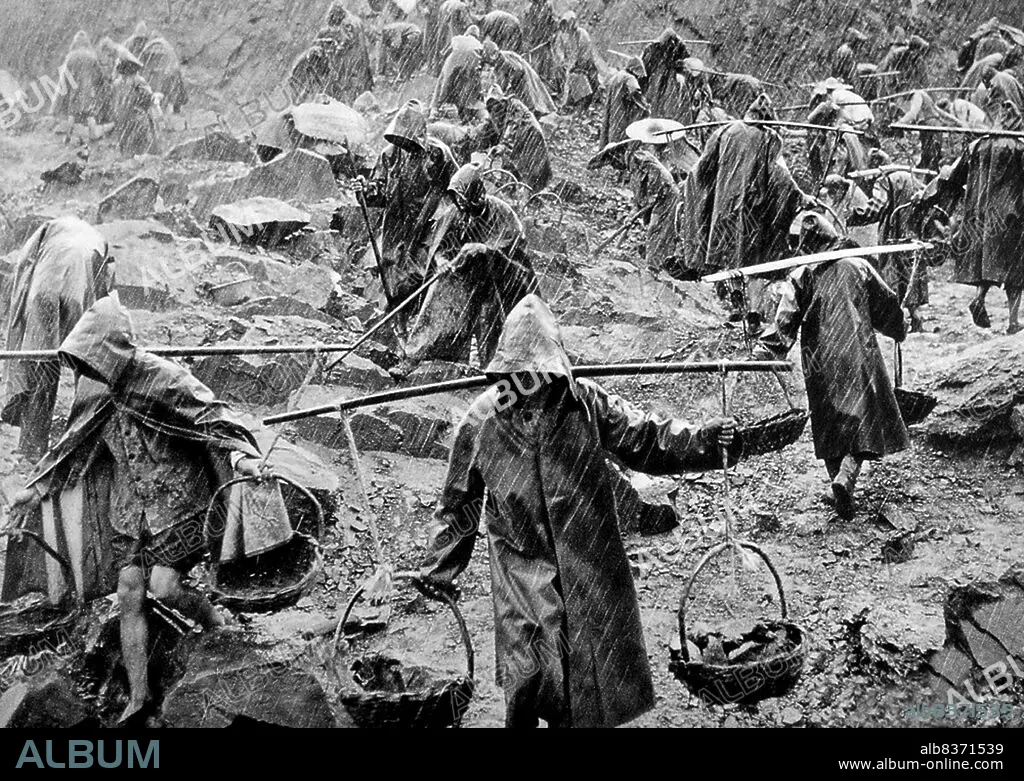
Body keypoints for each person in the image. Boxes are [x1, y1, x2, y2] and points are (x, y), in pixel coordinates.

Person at [415, 294, 740, 727]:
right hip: (520, 564)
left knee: (585, 677)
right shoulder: (483, 420)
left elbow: (645, 437)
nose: (532, 383)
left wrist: (702, 439)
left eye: (540, 372)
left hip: (586, 557)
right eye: (521, 373)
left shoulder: (584, 403)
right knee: (527, 672)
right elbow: (458, 502)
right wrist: (439, 569)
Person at [3, 295, 264, 724]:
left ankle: (217, 625)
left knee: (163, 586)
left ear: (111, 349)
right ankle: (140, 696)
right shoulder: (97, 393)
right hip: (129, 511)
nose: (88, 370)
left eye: (92, 358)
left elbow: (209, 416)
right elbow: (74, 448)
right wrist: (35, 490)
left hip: (178, 502)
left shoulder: (160, 376)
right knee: (129, 591)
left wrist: (240, 457)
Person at [758, 213, 908, 518]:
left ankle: (836, 482)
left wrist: (768, 350)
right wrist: (899, 327)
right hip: (857, 350)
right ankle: (846, 477)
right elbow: (886, 304)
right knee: (863, 416)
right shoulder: (858, 264)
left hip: (819, 360)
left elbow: (786, 318)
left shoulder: (801, 275)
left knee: (829, 421)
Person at [680, 95, 813, 323]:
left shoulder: (725, 132)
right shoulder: (769, 138)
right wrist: (800, 197)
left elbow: (703, 168)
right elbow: (780, 175)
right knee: (749, 256)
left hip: (723, 207)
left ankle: (736, 301)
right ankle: (751, 310)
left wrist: (704, 192)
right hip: (751, 207)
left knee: (727, 252)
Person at [2, 217, 114, 461]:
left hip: (44, 288)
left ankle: (32, 447)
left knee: (42, 364)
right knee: (88, 364)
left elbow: (24, 266)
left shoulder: (48, 231)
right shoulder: (98, 240)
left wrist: (18, 315)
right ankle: (85, 437)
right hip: (78, 289)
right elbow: (106, 290)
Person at [917, 100, 1024, 334]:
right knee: (1015, 268)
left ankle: (979, 298)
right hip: (1010, 215)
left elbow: (954, 177)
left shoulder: (977, 145)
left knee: (989, 261)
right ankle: (1013, 321)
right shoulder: (1019, 146)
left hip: (980, 215)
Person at [357, 99, 458, 314]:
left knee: (426, 273)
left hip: (429, 224)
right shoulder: (389, 155)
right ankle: (397, 321)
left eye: (409, 139)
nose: (404, 145)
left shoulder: (438, 154)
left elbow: (458, 188)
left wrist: (450, 217)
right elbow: (378, 195)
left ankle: (423, 316)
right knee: (393, 275)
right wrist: (364, 191)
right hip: (396, 227)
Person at [845, 155, 929, 331]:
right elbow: (924, 199)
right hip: (912, 232)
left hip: (894, 233)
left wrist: (853, 217)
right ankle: (916, 318)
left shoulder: (885, 180)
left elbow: (876, 208)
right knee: (911, 273)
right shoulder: (910, 177)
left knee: (892, 274)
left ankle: (896, 321)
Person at [482, 89, 552, 191]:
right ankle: (516, 189)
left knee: (532, 172)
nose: (496, 109)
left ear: (502, 101)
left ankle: (528, 193)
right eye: (492, 107)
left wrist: (504, 145)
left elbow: (513, 127)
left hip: (531, 138)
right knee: (515, 168)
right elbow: (488, 128)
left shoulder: (515, 107)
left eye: (497, 104)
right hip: (521, 141)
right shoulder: (499, 113)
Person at [480, 39, 557, 117]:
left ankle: (541, 112)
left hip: (524, 79)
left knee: (534, 99)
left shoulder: (504, 58)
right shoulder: (499, 61)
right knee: (532, 100)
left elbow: (518, 69)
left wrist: (510, 82)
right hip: (520, 81)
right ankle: (538, 112)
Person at [111, 52, 159, 157]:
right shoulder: (138, 82)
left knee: (127, 150)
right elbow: (149, 99)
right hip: (137, 121)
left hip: (122, 122)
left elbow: (114, 105)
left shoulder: (116, 84)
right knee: (144, 150)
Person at [552, 12, 601, 112]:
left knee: (580, 78)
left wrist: (577, 63)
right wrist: (562, 62)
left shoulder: (582, 34)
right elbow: (559, 50)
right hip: (568, 64)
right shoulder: (562, 36)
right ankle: (566, 99)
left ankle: (584, 102)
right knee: (560, 74)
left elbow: (585, 52)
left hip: (582, 64)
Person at [430, 33, 485, 121]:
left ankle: (436, 109)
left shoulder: (458, 40)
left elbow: (444, 53)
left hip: (455, 64)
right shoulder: (476, 46)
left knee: (443, 86)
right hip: (462, 66)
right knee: (445, 89)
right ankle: (438, 111)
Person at [600, 56, 649, 148]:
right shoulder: (630, 78)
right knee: (623, 136)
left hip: (612, 109)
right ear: (635, 69)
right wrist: (645, 107)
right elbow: (635, 92)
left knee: (612, 133)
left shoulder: (617, 75)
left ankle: (610, 154)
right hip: (622, 110)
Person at [640, 28, 689, 120]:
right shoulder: (652, 48)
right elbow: (645, 64)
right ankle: (654, 115)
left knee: (667, 100)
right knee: (654, 98)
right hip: (656, 75)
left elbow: (685, 60)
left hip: (668, 76)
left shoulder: (678, 46)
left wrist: (678, 64)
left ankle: (664, 115)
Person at [139, 33, 188, 113]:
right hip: (166, 73)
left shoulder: (149, 47)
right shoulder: (167, 48)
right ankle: (174, 107)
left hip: (151, 75)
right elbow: (174, 67)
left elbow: (141, 64)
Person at [522, 0, 559, 92]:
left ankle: (547, 89)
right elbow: (526, 28)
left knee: (547, 67)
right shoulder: (529, 9)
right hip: (534, 44)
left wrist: (552, 35)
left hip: (544, 43)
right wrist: (527, 42)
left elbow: (554, 23)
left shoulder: (548, 7)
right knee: (534, 68)